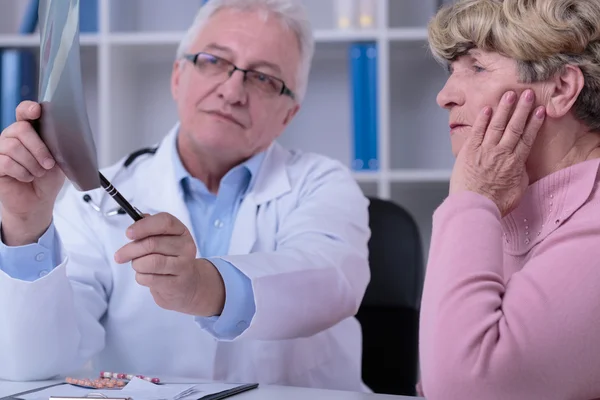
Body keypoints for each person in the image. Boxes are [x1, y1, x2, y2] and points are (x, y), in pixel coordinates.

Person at [0, 0, 371, 392]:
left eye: (263, 78)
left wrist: (201, 286)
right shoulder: (95, 198)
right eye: (213, 60)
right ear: (178, 76)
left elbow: (330, 283)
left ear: (288, 114)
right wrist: (25, 226)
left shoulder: (324, 183)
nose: (232, 91)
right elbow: (33, 366)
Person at [417, 0, 600, 399]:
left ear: (562, 89)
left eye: (477, 67)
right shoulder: (508, 210)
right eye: (451, 71)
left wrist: (472, 199)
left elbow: (462, 387)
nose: (444, 96)